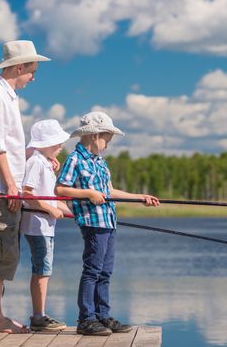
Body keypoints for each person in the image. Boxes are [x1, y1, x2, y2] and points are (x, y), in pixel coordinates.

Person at [0, 40, 50, 334]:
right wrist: (11, 186)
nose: (33, 77)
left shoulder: (8, 97)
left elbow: (12, 149)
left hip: (5, 187)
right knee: (1, 251)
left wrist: (39, 157)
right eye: (32, 70)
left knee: (6, 253)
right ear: (19, 67)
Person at [55, 111, 160, 336]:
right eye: (107, 140)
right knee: (92, 270)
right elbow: (60, 189)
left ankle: (102, 315)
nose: (108, 145)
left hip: (109, 221)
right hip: (93, 223)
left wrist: (140, 197)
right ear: (94, 136)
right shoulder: (75, 159)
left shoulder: (101, 163)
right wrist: (88, 193)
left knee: (105, 272)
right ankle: (86, 319)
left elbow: (110, 191)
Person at [20, 120, 71, 331]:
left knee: (44, 269)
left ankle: (40, 314)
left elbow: (53, 199)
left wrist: (77, 214)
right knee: (42, 269)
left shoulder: (47, 164)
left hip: (46, 226)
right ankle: (38, 317)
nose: (60, 147)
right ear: (46, 143)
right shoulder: (36, 162)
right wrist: (50, 210)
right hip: (37, 226)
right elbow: (27, 194)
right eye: (57, 143)